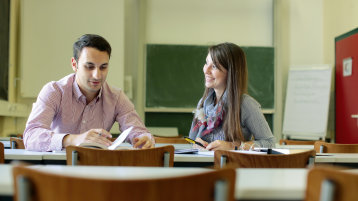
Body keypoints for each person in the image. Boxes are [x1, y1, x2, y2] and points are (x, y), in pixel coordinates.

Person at [23, 34, 154, 151]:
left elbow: (138, 131)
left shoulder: (117, 97)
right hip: (59, 167)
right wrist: (73, 140)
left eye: (103, 67)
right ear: (74, 64)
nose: (97, 75)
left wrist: (144, 138)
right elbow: (31, 136)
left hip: (97, 168)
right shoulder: (54, 91)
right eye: (89, 66)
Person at [189, 42, 275, 151]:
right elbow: (192, 140)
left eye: (214, 66)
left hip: (232, 166)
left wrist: (233, 146)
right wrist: (197, 144)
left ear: (230, 72)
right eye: (206, 63)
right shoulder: (203, 103)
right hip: (205, 166)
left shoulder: (245, 104)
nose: (205, 70)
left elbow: (270, 142)